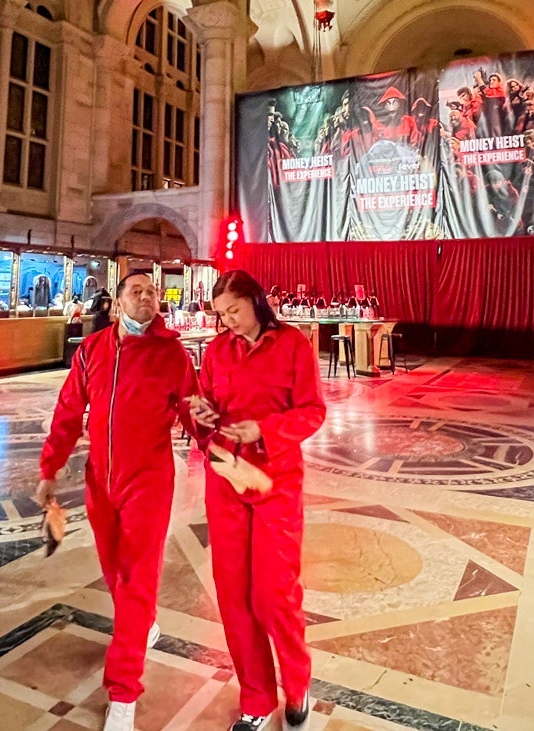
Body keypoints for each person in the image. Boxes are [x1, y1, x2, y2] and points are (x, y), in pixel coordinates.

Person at [35, 272, 194, 731]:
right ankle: (140, 627)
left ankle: (123, 692)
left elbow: (193, 407)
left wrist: (225, 448)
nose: (147, 297)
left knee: (138, 578)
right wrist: (50, 468)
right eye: (136, 291)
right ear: (119, 300)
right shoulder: (93, 350)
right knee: (116, 573)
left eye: (152, 292)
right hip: (100, 482)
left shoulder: (171, 353)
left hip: (149, 480)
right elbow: (68, 412)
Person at [189, 270, 326, 731]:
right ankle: (255, 697)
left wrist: (264, 428)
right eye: (222, 314)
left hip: (274, 482)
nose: (228, 322)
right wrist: (203, 414)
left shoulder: (292, 345)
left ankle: (298, 683)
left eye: (235, 310)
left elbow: (312, 411)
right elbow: (206, 408)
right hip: (226, 480)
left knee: (274, 594)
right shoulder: (217, 350)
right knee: (233, 596)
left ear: (256, 301)